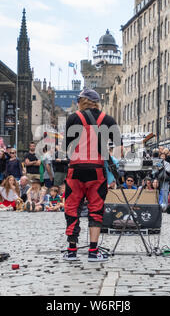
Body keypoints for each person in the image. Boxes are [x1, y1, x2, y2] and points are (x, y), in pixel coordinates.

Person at [63, 88, 121, 263]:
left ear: (82, 101)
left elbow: (67, 146)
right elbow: (118, 144)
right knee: (96, 209)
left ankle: (72, 250)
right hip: (96, 170)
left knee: (72, 207)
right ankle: (93, 252)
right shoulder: (108, 120)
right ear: (96, 102)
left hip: (76, 169)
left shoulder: (73, 118)